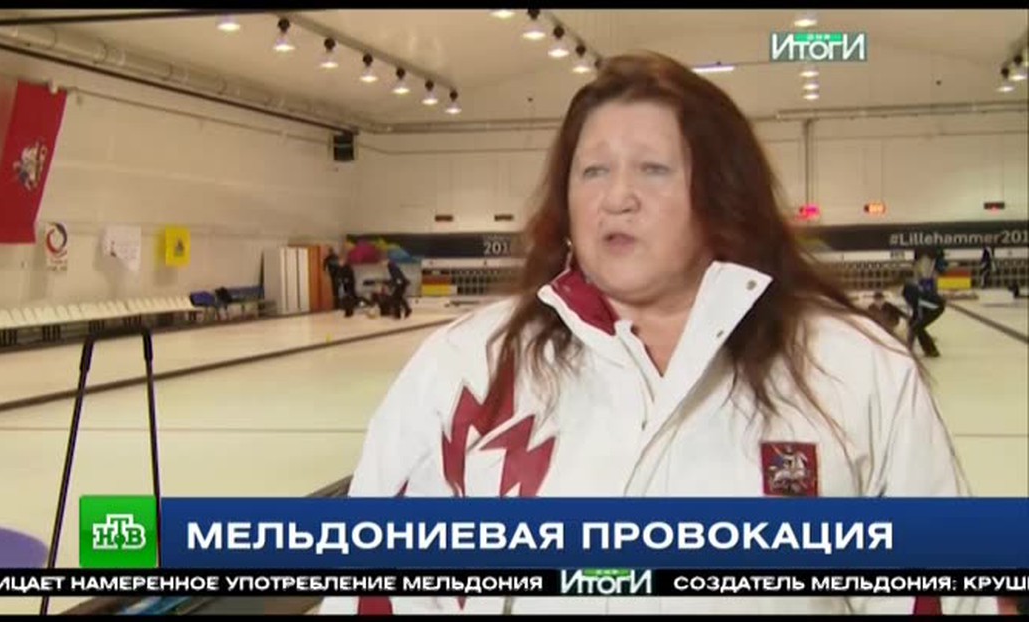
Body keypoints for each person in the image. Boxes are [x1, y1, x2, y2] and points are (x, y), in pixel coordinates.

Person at [320, 52, 996, 616]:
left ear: (722, 193)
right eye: (593, 170)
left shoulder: (854, 369)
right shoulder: (466, 367)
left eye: (653, 168)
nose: (617, 197)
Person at [902, 281, 946, 358]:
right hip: (929, 306)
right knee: (916, 326)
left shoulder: (910, 292)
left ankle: (930, 350)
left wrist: (916, 319)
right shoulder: (908, 290)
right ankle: (930, 349)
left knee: (916, 327)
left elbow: (918, 305)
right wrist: (913, 320)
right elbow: (917, 306)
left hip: (935, 307)